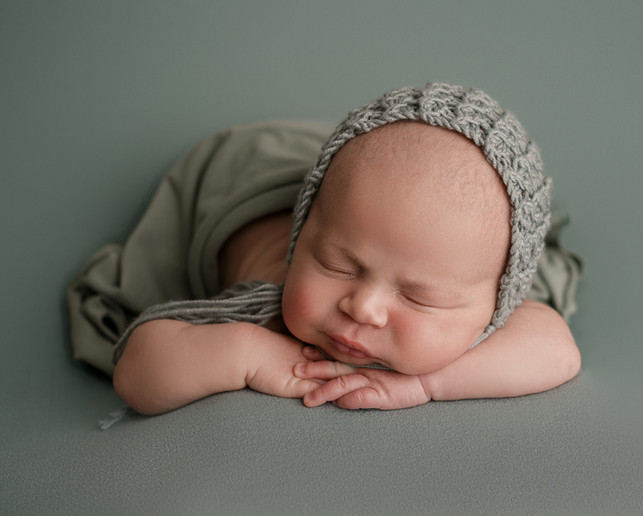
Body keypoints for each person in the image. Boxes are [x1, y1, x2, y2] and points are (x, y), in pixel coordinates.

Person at [93, 84, 581, 415]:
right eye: (337, 265)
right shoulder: (261, 306)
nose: (362, 308)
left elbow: (557, 347)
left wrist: (425, 385)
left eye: (418, 297)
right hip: (242, 175)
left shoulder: (481, 278)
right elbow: (137, 369)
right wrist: (246, 352)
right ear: (302, 239)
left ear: (496, 307)